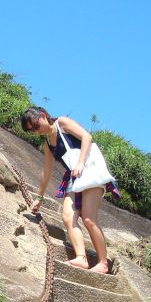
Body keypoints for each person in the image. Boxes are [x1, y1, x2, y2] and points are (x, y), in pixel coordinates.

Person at [21, 106, 119, 274]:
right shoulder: (48, 145)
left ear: (43, 116)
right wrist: (39, 197)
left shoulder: (62, 123)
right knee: (67, 216)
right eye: (32, 131)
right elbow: (46, 171)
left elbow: (86, 137)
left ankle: (103, 262)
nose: (36, 132)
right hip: (75, 178)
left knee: (88, 218)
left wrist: (80, 162)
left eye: (36, 126)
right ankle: (81, 257)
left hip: (89, 170)